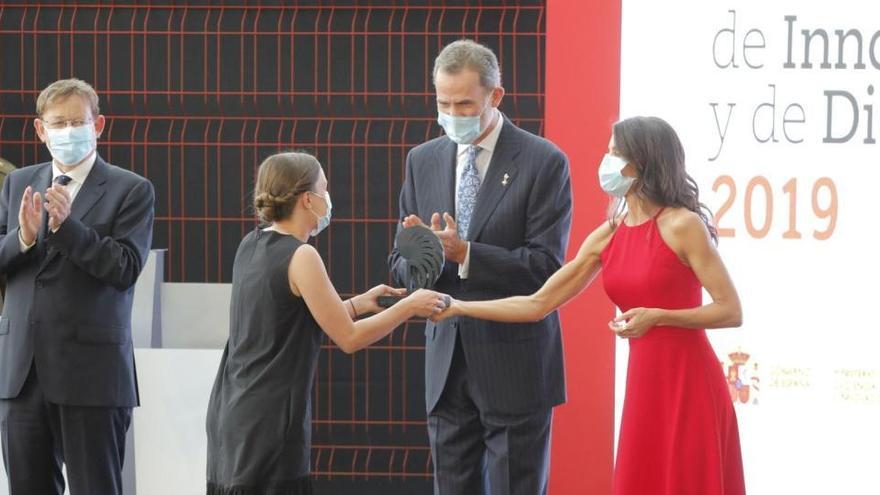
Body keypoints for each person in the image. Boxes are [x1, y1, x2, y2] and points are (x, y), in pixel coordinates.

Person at [435, 116, 746, 495]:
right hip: (644, 385)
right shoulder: (608, 234)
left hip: (689, 383)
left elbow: (730, 310)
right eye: (608, 150)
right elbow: (538, 303)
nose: (607, 160)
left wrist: (659, 317)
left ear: (643, 162)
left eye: (616, 153)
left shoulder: (683, 225)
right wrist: (457, 306)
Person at [389, 39, 572, 495]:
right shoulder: (422, 160)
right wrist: (424, 257)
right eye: (442, 102)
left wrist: (466, 254)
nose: (452, 113)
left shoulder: (543, 161)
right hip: (446, 367)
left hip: (515, 364)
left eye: (464, 103)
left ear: (496, 97)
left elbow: (546, 268)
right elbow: (399, 266)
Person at [206, 151, 448, 495]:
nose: (328, 198)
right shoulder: (302, 255)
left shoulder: (252, 244)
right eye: (325, 189)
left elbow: (291, 319)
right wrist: (409, 306)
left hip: (233, 415)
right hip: (270, 422)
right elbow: (349, 338)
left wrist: (358, 303)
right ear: (307, 199)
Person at [0, 78, 156, 494]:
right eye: (58, 123)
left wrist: (68, 228)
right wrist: (24, 238)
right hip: (21, 374)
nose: (67, 132)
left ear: (99, 124)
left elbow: (124, 267)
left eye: (77, 122)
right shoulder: (18, 184)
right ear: (39, 130)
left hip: (92, 375)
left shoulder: (132, 189)